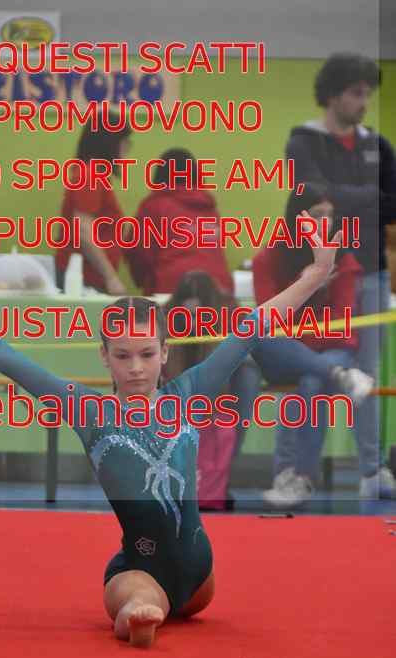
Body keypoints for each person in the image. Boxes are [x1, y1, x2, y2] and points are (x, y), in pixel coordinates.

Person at [0, 221, 358, 648]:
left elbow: (253, 327)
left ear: (165, 352)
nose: (136, 368)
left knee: (167, 589)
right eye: (123, 355)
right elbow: (2, 355)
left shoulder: (189, 392)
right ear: (104, 356)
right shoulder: (88, 411)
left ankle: (150, 608)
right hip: (141, 570)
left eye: (147, 354)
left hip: (201, 577)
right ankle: (137, 613)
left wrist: (316, 275)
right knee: (135, 593)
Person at [286, 52, 396, 499]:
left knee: (367, 374)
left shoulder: (379, 146)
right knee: (313, 375)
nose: (364, 102)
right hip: (321, 277)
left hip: (371, 272)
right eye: (356, 93)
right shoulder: (303, 141)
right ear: (332, 95)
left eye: (368, 93)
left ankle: (371, 470)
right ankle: (298, 473)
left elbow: (391, 203)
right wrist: (368, 195)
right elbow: (311, 194)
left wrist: (342, 197)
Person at [253, 185, 368, 507]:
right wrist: (307, 284)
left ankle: (296, 477)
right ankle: (340, 374)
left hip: (327, 346)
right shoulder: (270, 257)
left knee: (311, 381)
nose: (324, 223)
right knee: (267, 339)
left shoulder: (343, 260)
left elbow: (340, 324)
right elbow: (268, 317)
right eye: (316, 215)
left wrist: (303, 346)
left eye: (329, 215)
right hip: (285, 348)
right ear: (296, 218)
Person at [163, 271, 259, 509]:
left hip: (225, 384)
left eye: (198, 313)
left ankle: (218, 478)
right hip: (181, 384)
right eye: (187, 313)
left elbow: (221, 371)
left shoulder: (230, 311)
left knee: (247, 373)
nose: (193, 319)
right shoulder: (166, 314)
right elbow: (171, 370)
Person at [127, 148, 233, 296]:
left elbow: (139, 252)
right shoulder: (209, 208)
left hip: (173, 287)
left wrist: (142, 281)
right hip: (218, 288)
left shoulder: (154, 205)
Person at [55, 115, 129, 296]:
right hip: (83, 280)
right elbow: (84, 232)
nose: (127, 148)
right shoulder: (90, 176)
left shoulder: (93, 175)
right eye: (124, 142)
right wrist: (111, 277)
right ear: (109, 142)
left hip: (87, 277)